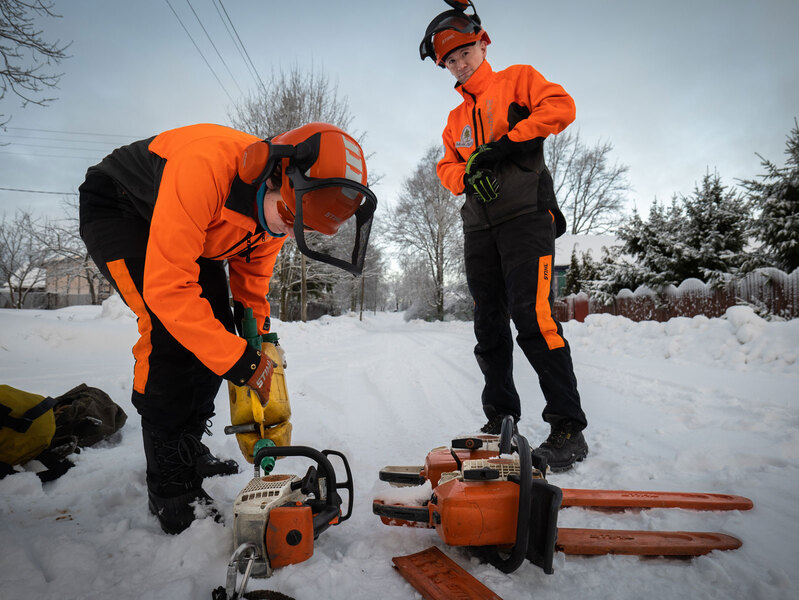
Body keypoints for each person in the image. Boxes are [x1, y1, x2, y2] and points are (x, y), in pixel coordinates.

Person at [78, 122, 377, 533]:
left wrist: (259, 342)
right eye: (290, 216)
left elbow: (251, 289)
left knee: (214, 329)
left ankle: (188, 444)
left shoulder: (279, 213)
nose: (289, 230)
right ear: (275, 174)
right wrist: (236, 359)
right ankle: (170, 483)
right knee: (170, 332)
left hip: (191, 231)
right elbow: (169, 292)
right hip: (123, 207)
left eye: (300, 227)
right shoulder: (205, 169)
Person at [420, 1, 588, 471]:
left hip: (526, 216)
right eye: (449, 61)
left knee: (531, 315)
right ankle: (501, 419)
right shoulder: (454, 121)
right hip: (479, 227)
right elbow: (446, 167)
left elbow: (562, 106)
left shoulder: (517, 80)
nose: (458, 63)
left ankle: (568, 426)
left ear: (482, 42)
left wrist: (509, 143)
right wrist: (467, 178)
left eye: (464, 52)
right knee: (487, 324)